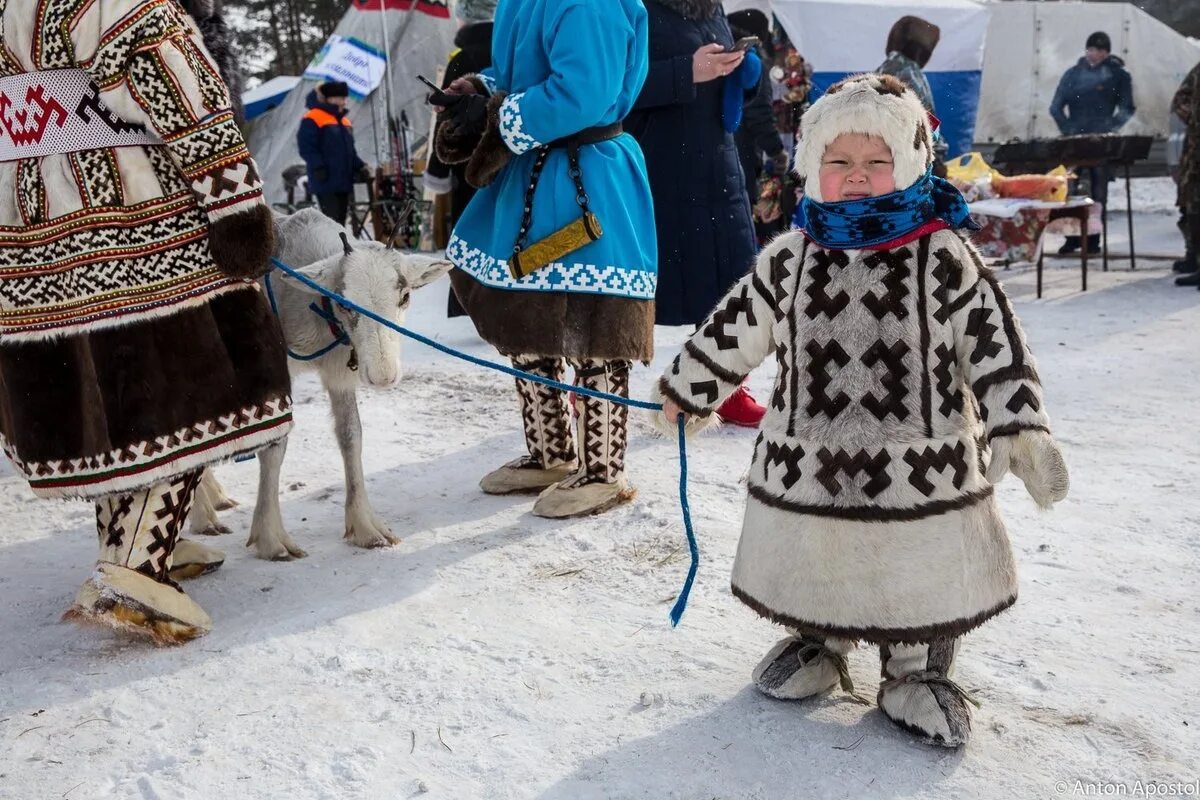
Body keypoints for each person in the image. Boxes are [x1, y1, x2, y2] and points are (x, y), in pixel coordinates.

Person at [654, 73, 1069, 747]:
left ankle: (912, 672)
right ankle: (820, 638)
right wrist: (689, 388)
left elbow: (996, 344)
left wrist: (1019, 426)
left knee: (916, 574)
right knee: (818, 558)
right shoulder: (790, 258)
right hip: (808, 466)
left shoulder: (942, 255)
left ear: (908, 163)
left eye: (876, 162)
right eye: (839, 162)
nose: (856, 177)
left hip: (923, 472)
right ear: (813, 166)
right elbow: (736, 328)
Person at [0, 0, 293, 643]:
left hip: (29, 226)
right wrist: (237, 204)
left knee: (106, 398)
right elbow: (174, 81)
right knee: (182, 392)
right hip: (138, 220)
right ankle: (137, 567)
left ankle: (136, 538)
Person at [433, 0, 657, 518]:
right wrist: (483, 88)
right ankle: (552, 452)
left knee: (593, 325)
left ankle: (603, 472)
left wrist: (499, 118)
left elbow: (583, 93)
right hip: (534, 174)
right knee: (527, 313)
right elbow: (529, 73)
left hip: (586, 179)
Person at [625, 0, 766, 429]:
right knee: (634, 288)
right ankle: (601, 383)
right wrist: (684, 72)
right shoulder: (630, 6)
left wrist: (743, 72)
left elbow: (719, 73)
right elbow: (611, 85)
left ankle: (723, 386)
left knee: (728, 286)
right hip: (656, 165)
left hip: (717, 164)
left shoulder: (710, 6)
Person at [424, 0, 497, 317]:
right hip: (505, 156)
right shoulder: (511, 53)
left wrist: (436, 168)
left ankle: (467, 302)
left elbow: (446, 116)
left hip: (468, 162)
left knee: (469, 231)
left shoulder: (462, 60)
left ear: (464, 19)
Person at [1049, 31, 1136, 255]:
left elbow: (1128, 108)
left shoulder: (1118, 75)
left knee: (1098, 193)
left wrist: (1110, 129)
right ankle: (1071, 239)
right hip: (1073, 143)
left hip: (1101, 144)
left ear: (1107, 53)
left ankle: (1093, 239)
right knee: (1070, 190)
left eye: (1100, 50)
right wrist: (1068, 130)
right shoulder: (1073, 74)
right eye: (1091, 49)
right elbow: (1055, 107)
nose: (1095, 54)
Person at [727, 9, 789, 244]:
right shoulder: (753, 62)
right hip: (742, 155)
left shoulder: (723, 54)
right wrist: (776, 151)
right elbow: (758, 114)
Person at [876, 15, 948, 169]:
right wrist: (937, 157)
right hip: (908, 162)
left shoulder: (886, 68)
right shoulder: (909, 74)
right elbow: (926, 120)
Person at [298, 80, 369, 225]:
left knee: (340, 222)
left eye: (344, 98)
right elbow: (307, 147)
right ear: (330, 99)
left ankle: (339, 247)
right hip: (325, 180)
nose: (344, 102)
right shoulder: (313, 117)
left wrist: (360, 166)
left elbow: (350, 151)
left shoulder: (344, 121)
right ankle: (330, 248)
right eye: (341, 98)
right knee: (331, 222)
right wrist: (318, 167)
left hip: (343, 181)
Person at [1171, 61, 1200, 286]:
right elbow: (1180, 98)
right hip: (1195, 151)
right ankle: (1195, 258)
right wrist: (1192, 118)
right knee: (1192, 206)